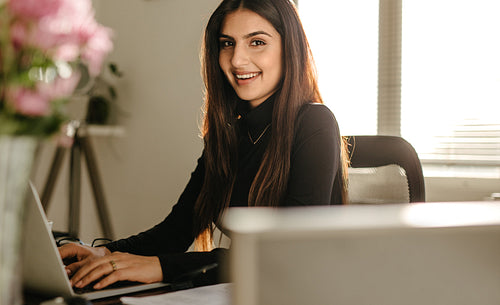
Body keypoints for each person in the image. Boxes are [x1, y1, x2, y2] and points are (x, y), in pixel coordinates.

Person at [59, 0, 348, 290]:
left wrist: (162, 267)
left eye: (257, 42)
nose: (237, 60)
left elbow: (286, 254)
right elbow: (175, 231)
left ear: (290, 49)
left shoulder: (315, 123)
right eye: (227, 43)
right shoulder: (229, 134)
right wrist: (105, 252)